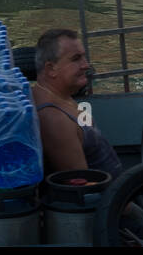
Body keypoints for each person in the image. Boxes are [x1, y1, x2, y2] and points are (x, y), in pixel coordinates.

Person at [32, 28, 123, 178]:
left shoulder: (63, 94)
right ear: (51, 68)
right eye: (76, 59)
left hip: (121, 189)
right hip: (113, 197)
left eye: (84, 57)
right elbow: (83, 188)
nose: (86, 65)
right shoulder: (54, 120)